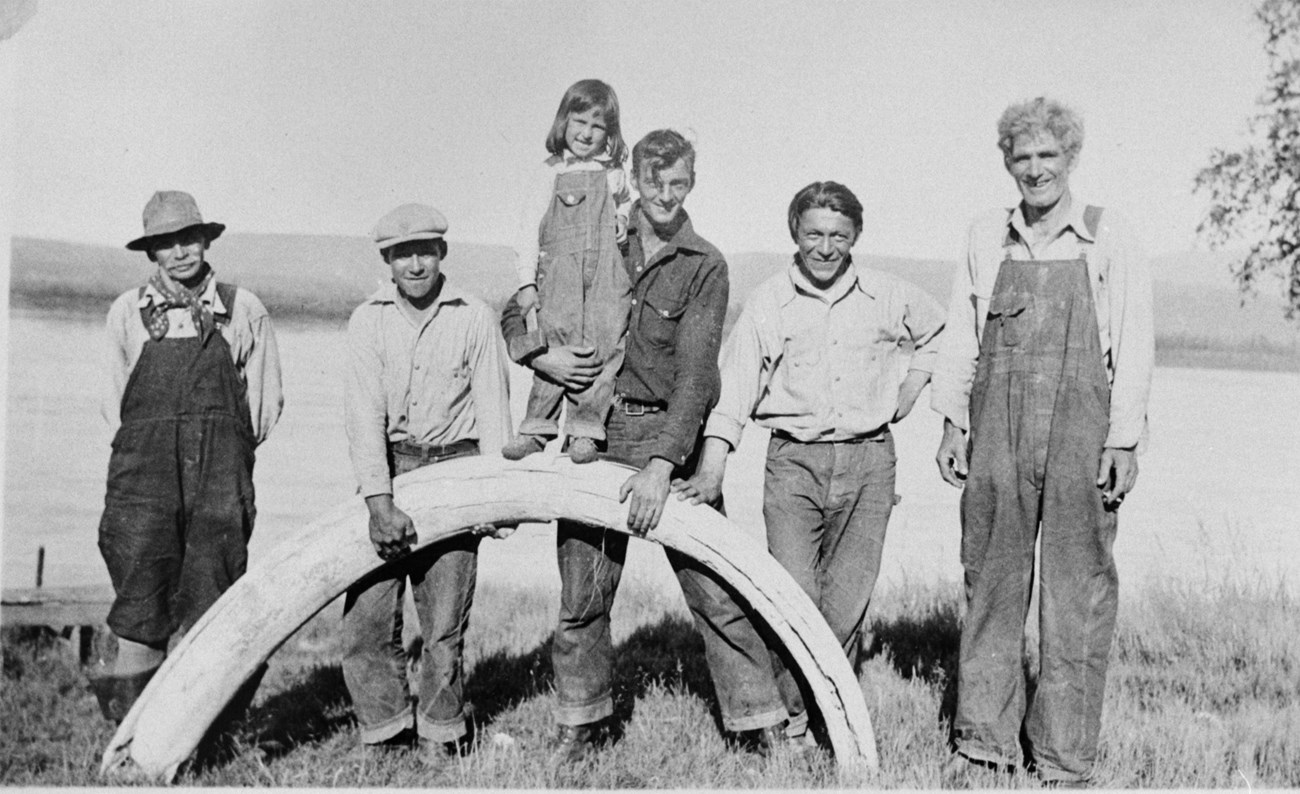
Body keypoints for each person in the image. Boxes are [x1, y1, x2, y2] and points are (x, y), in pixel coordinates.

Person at [501, 129, 791, 762]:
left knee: (716, 589)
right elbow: (514, 311)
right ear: (634, 176)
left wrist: (663, 466)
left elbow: (698, 378)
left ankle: (759, 726)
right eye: (654, 181)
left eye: (678, 183)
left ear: (692, 182)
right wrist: (544, 359)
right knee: (583, 592)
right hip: (593, 436)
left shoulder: (704, 263)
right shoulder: (597, 234)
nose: (665, 194)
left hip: (668, 440)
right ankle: (583, 726)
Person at [930, 97, 1154, 786]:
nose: (1035, 170)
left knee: (1076, 587)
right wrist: (951, 421)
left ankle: (1062, 757)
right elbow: (962, 337)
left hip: (1082, 426)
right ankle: (983, 743)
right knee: (992, 580)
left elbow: (1136, 345)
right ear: (1007, 162)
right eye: (1021, 157)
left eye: (1047, 156)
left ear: (1071, 159)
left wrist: (1123, 441)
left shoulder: (1106, 235)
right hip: (995, 422)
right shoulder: (984, 235)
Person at [674, 181, 946, 742]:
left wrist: (914, 385)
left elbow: (941, 333)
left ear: (856, 237)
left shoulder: (888, 294)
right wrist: (712, 466)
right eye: (814, 234)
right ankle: (796, 719)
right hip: (793, 464)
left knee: (847, 602)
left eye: (839, 236)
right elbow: (737, 387)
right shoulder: (771, 300)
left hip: (871, 462)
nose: (826, 247)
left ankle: (824, 719)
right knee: (794, 596)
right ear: (795, 232)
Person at [91, 190, 284, 722]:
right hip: (142, 482)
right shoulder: (127, 312)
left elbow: (264, 407)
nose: (180, 252)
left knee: (214, 604)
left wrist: (225, 454)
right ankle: (135, 740)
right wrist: (148, 454)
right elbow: (114, 406)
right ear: (150, 253)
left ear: (206, 240)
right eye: (166, 244)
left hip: (219, 480)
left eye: (189, 239)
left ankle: (208, 732)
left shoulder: (243, 308)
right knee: (140, 605)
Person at [341, 203, 512, 765]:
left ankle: (441, 735)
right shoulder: (368, 320)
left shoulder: (474, 315)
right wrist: (378, 502)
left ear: (442, 254)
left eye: (425, 251)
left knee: (443, 623)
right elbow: (363, 416)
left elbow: (493, 412)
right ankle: (385, 732)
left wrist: (494, 496)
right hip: (389, 469)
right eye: (401, 254)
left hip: (457, 470)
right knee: (367, 617)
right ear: (386, 261)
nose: (415, 264)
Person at [501, 78, 633, 464]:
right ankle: (537, 428)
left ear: (609, 132)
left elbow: (626, 206)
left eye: (598, 126)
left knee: (602, 344)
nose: (587, 134)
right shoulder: (549, 172)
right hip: (558, 270)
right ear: (564, 122)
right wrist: (527, 282)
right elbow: (528, 231)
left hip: (606, 272)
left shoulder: (614, 174)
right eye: (580, 122)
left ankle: (585, 429)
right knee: (556, 344)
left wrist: (622, 218)